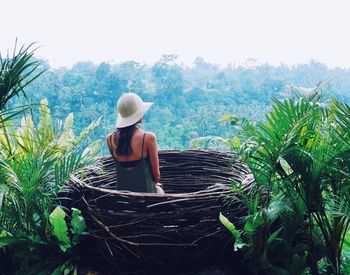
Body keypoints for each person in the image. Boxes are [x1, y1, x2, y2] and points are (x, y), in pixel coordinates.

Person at [106, 92, 164, 194]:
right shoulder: (148, 138)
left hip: (122, 198)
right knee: (160, 191)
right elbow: (157, 176)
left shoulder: (110, 139)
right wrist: (156, 184)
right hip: (147, 196)